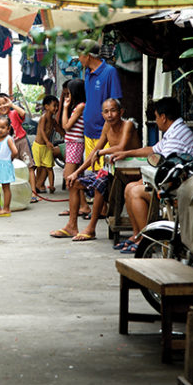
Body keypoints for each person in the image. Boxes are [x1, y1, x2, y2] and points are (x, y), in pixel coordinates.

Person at [108, 96, 193, 253]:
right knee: (129, 188)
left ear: (164, 117)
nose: (156, 120)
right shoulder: (174, 130)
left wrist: (142, 181)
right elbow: (153, 150)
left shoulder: (177, 135)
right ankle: (137, 236)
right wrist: (126, 153)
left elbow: (163, 167)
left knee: (135, 191)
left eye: (157, 117)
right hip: (176, 182)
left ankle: (146, 240)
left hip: (182, 187)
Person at [50, 98, 139, 242]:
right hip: (112, 172)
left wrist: (100, 153)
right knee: (73, 182)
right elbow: (95, 151)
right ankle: (72, 226)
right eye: (106, 112)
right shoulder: (107, 126)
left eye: (113, 111)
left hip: (131, 173)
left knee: (99, 182)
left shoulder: (128, 124)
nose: (110, 115)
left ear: (121, 112)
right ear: (102, 114)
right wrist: (76, 172)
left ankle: (91, 228)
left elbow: (121, 147)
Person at [77, 39, 122, 172]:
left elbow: (116, 103)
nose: (79, 60)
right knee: (93, 172)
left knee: (105, 173)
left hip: (104, 133)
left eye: (80, 56)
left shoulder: (110, 72)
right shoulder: (87, 73)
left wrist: (108, 131)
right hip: (88, 131)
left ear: (88, 56)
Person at [0, 92, 37, 202]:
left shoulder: (14, 113)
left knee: (29, 166)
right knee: (14, 169)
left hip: (21, 141)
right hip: (8, 146)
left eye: (4, 103)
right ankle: (18, 195)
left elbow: (23, 113)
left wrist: (11, 105)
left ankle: (34, 193)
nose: (2, 106)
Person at [60, 79, 87, 215]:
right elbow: (66, 126)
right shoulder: (77, 106)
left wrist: (65, 108)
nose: (67, 96)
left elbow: (66, 126)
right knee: (73, 178)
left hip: (75, 144)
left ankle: (77, 208)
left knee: (69, 177)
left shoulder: (80, 106)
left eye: (69, 93)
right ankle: (82, 206)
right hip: (72, 143)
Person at [32, 94, 60, 194]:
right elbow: (42, 131)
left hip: (47, 147)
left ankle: (51, 185)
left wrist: (66, 137)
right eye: (54, 106)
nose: (56, 108)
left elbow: (59, 129)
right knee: (37, 167)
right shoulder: (43, 118)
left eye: (57, 106)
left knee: (49, 167)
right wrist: (47, 141)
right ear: (46, 106)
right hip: (39, 146)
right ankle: (35, 185)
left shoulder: (53, 120)